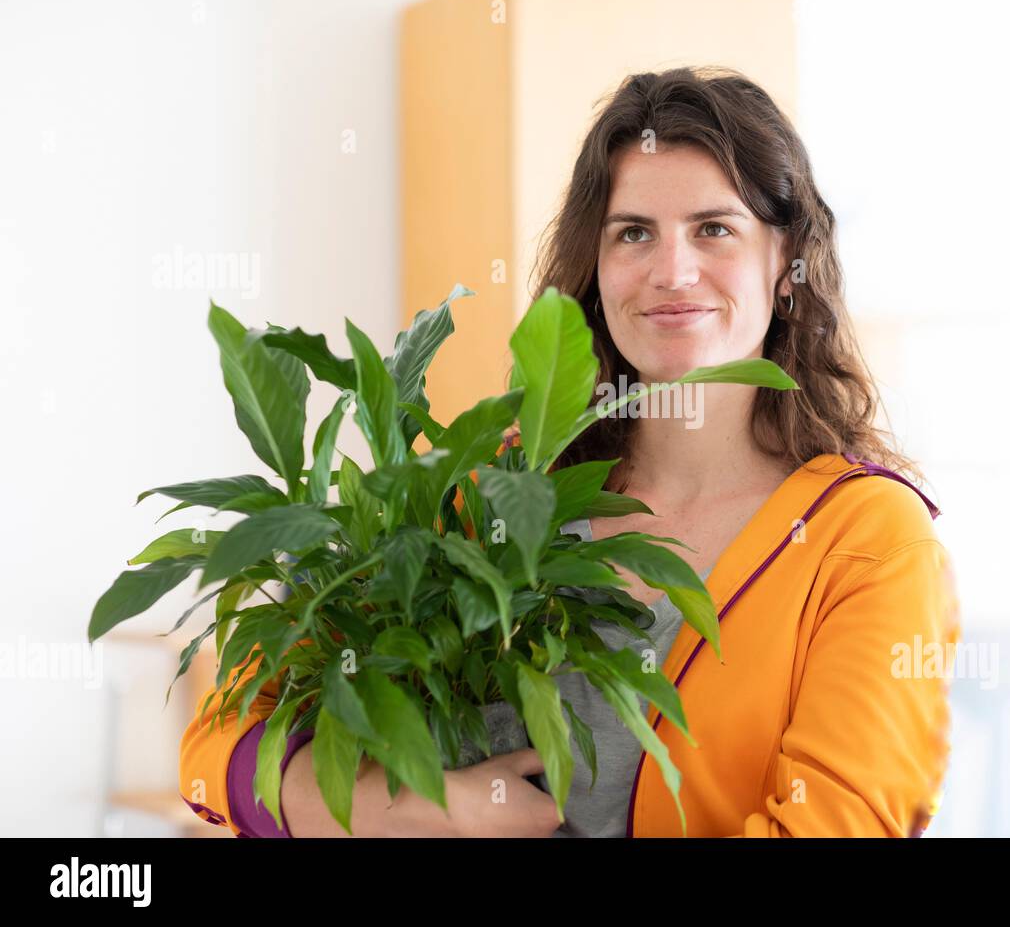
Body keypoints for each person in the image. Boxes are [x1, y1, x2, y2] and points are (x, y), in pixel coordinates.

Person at [178, 65, 961, 838]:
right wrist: (410, 811)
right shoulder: (498, 485)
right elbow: (219, 740)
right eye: (633, 233)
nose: (671, 271)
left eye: (714, 228)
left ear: (785, 267)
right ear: (595, 268)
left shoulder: (871, 542)